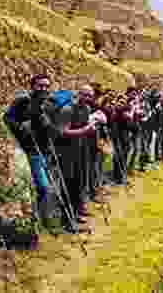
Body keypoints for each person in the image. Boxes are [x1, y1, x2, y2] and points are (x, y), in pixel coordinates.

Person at [4, 74, 59, 227]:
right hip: (30, 150)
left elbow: (54, 128)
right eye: (40, 85)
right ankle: (41, 219)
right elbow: (7, 118)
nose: (44, 89)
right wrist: (21, 127)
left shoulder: (50, 104)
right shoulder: (23, 100)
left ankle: (43, 218)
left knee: (47, 187)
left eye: (47, 86)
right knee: (43, 186)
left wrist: (48, 127)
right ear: (32, 86)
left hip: (45, 150)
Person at [53, 85, 105, 228]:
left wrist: (93, 126)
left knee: (78, 182)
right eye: (85, 95)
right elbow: (62, 132)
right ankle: (67, 220)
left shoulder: (87, 109)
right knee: (68, 184)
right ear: (78, 94)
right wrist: (85, 130)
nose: (88, 98)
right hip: (66, 151)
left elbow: (86, 127)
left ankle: (76, 213)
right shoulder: (68, 110)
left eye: (90, 96)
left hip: (81, 150)